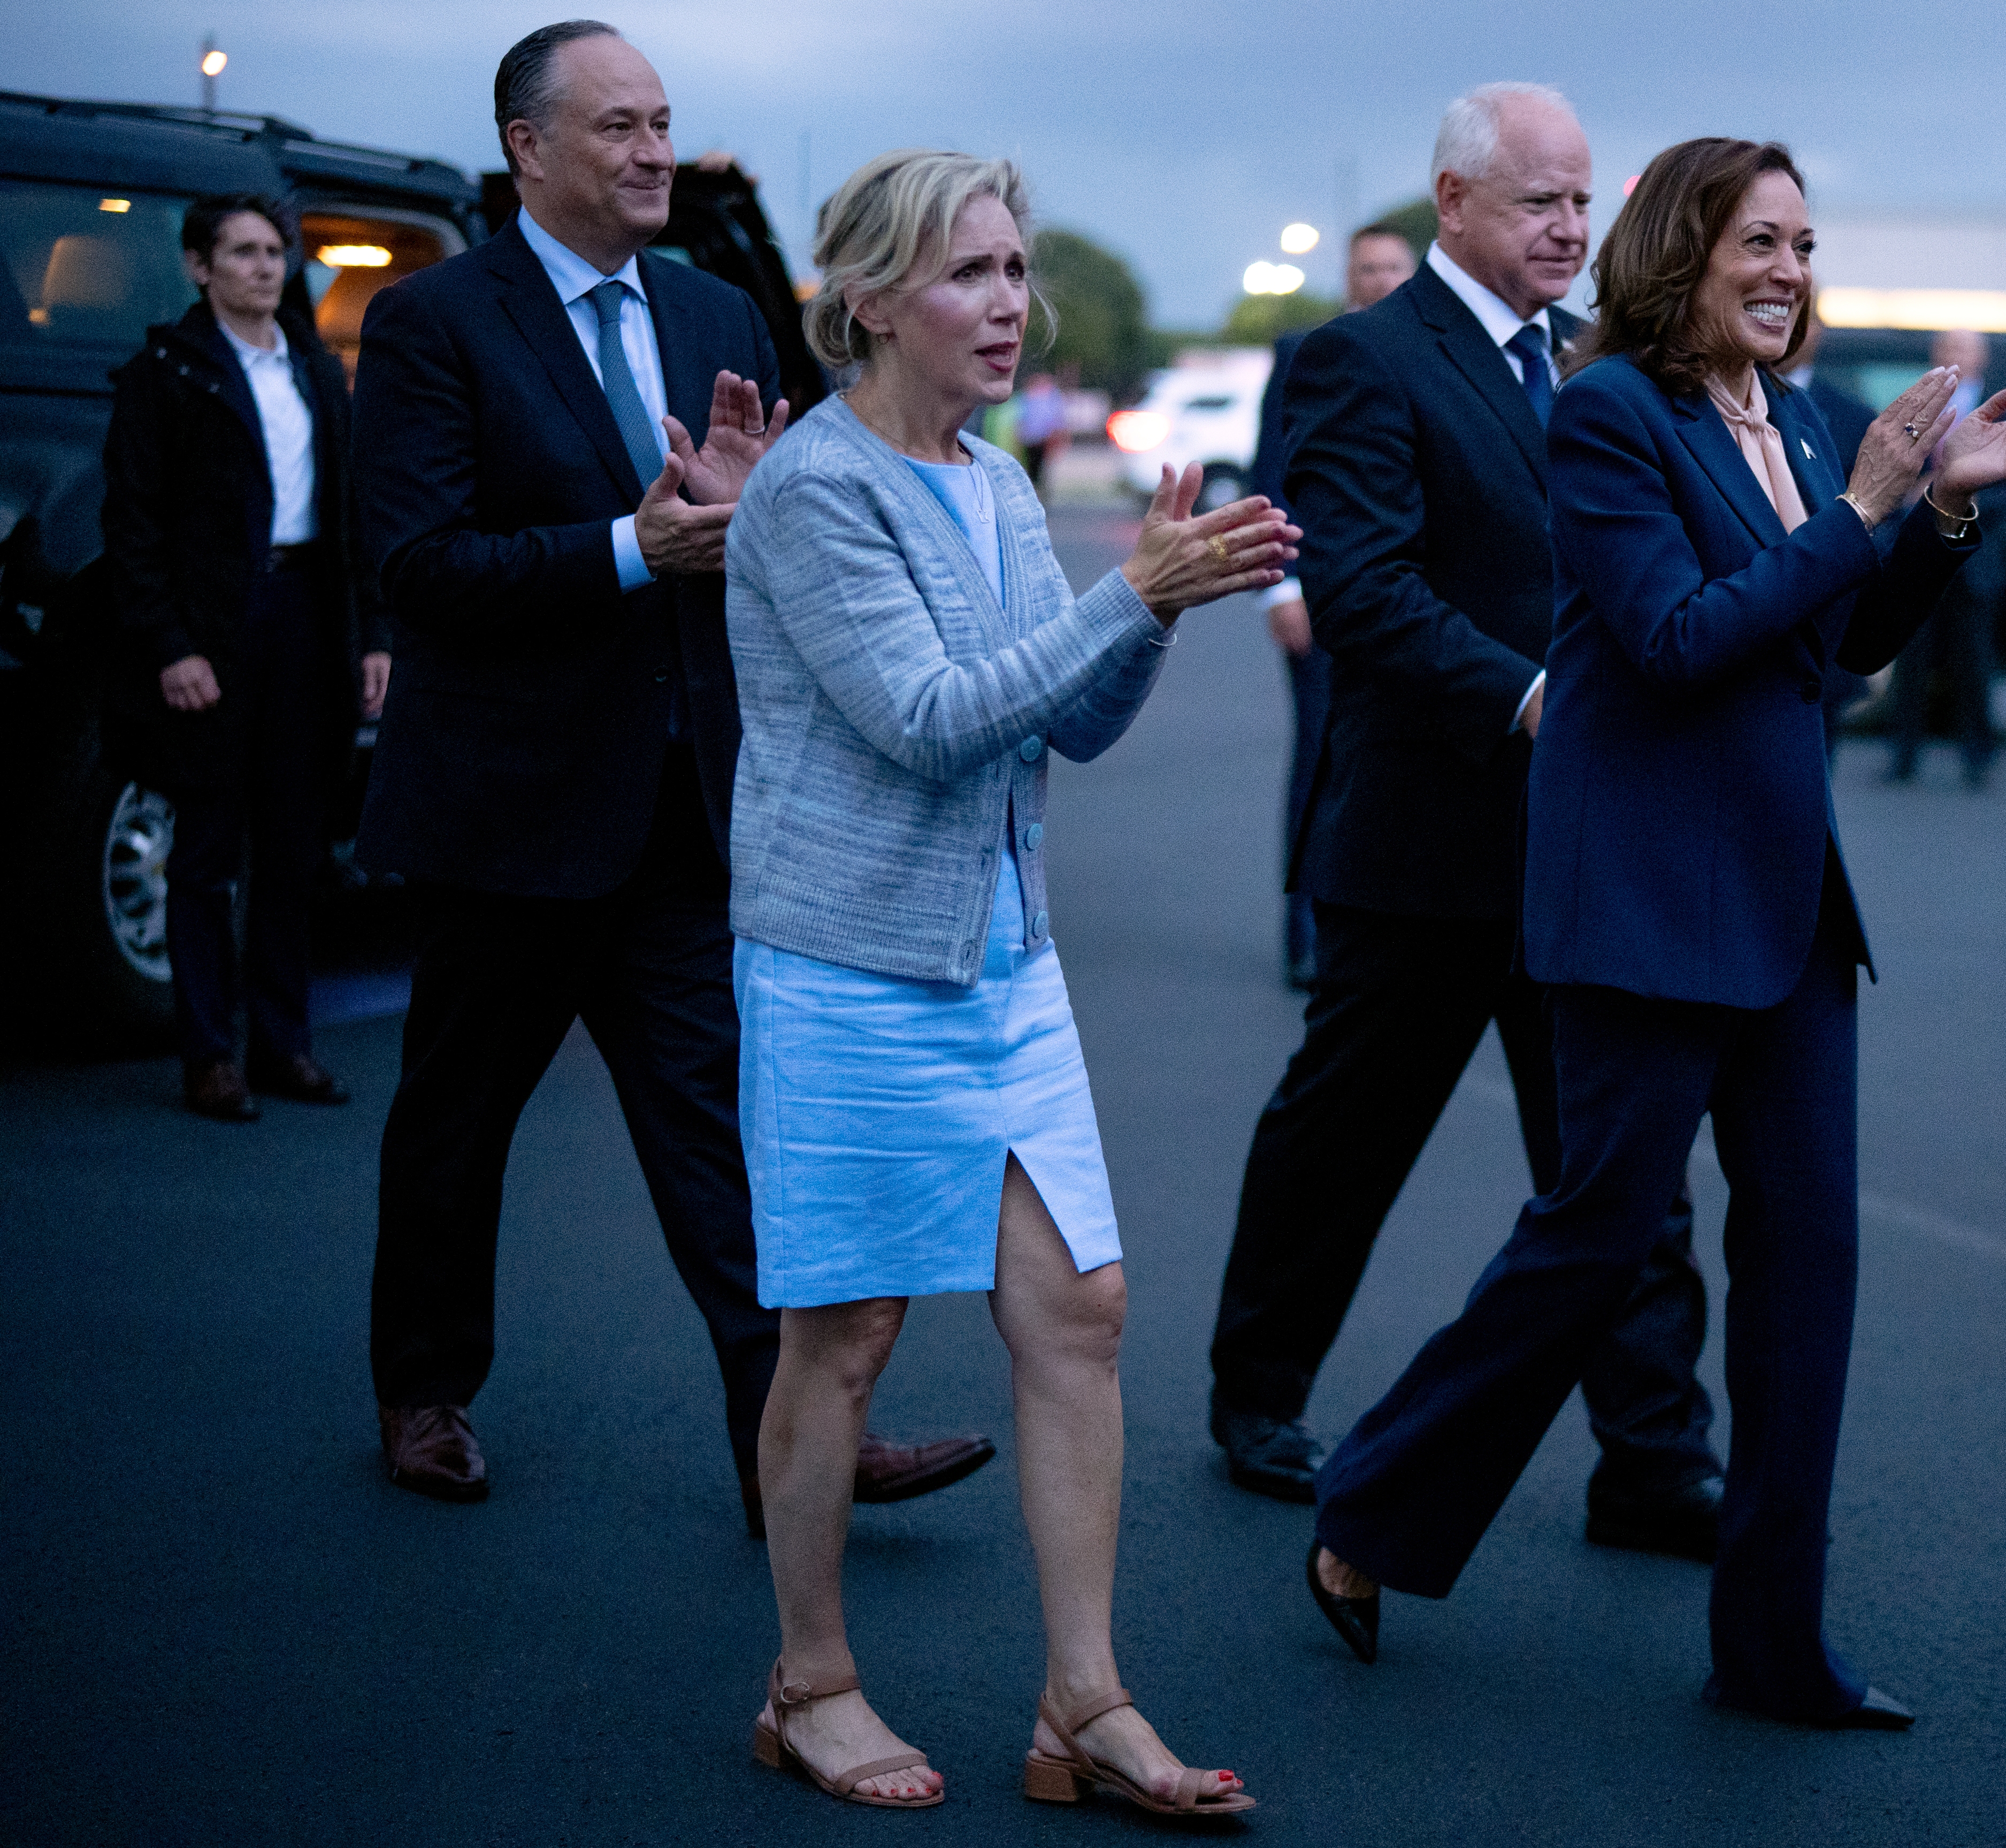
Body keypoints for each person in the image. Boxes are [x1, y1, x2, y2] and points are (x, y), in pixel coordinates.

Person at [1305, 138, 2006, 1728]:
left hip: (1788, 903)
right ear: (1680, 248)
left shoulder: (1785, 412)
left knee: (1810, 1265)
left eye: (1803, 242)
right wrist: (1861, 510)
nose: (1790, 268)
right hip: (1644, 903)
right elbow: (1667, 643)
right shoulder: (1606, 413)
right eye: (1760, 241)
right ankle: (1373, 1506)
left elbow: (1835, 643)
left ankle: (1772, 1645)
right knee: (1596, 1239)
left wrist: (1931, 517)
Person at [353, 21, 989, 1528]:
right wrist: (642, 545)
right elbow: (421, 566)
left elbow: (778, 533)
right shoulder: (435, 321)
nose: (652, 151)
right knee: (457, 1117)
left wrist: (756, 517)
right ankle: (424, 1389)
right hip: (508, 809)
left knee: (727, 1132)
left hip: (688, 807)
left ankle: (797, 1450)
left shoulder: (713, 304)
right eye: (619, 127)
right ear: (528, 148)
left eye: (661, 122)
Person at [726, 148, 1292, 1814]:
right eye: (969, 271)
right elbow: (922, 715)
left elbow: (1067, 721)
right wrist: (1133, 589)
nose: (1007, 304)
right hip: (842, 967)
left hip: (1001, 965)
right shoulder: (815, 488)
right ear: (871, 300)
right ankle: (807, 1681)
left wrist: (1154, 615)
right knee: (843, 1336)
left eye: (1014, 268)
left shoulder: (994, 478)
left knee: (1080, 1309)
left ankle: (1081, 1705)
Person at [1207, 84, 1728, 1561]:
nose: (1570, 229)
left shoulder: (1599, 368)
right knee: (1346, 1133)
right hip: (1427, 842)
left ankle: (1653, 1454)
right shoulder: (1356, 362)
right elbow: (1363, 590)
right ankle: (1256, 1391)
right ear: (1450, 204)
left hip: (1588, 847)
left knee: (1617, 1159)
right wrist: (1530, 699)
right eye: (1537, 203)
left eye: (1582, 203)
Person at [102, 195, 386, 1122]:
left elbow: (355, 515)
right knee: (208, 849)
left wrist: (373, 635)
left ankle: (282, 1044)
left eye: (277, 252)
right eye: (244, 252)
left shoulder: (314, 366)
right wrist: (172, 646)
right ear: (199, 265)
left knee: (296, 848)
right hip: (218, 626)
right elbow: (132, 526)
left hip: (308, 614)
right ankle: (209, 1054)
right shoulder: (167, 371)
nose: (266, 268)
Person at [1252, 222, 1417, 989]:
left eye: (1393, 267)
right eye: (1367, 268)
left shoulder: (1430, 353)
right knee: (1320, 759)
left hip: (1412, 601)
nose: (1380, 279)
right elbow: (1271, 473)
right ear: (1348, 278)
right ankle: (1307, 931)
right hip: (1318, 601)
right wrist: (1280, 587)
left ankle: (1386, 930)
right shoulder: (1304, 352)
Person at [1885, 329, 1999, 786]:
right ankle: (1904, 754)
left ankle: (1977, 755)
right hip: (1918, 551)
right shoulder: (1913, 410)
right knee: (1909, 657)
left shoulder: (2004, 408)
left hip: (1973, 558)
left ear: (1980, 359)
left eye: (1962, 350)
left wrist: (1961, 494)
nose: (1953, 358)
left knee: (1973, 661)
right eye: (1945, 350)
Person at [1779, 300, 1887, 753]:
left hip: (1825, 638)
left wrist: (1945, 500)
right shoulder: (1699, 407)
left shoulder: (1852, 417)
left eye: (1803, 314)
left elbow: (1878, 528)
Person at [1013, 371, 1070, 491]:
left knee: (1041, 466)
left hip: (1044, 437)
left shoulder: (1051, 396)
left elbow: (1057, 419)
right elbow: (1021, 418)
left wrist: (1059, 437)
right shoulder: (1028, 396)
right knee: (1032, 465)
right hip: (1030, 438)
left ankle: (1039, 488)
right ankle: (1035, 488)